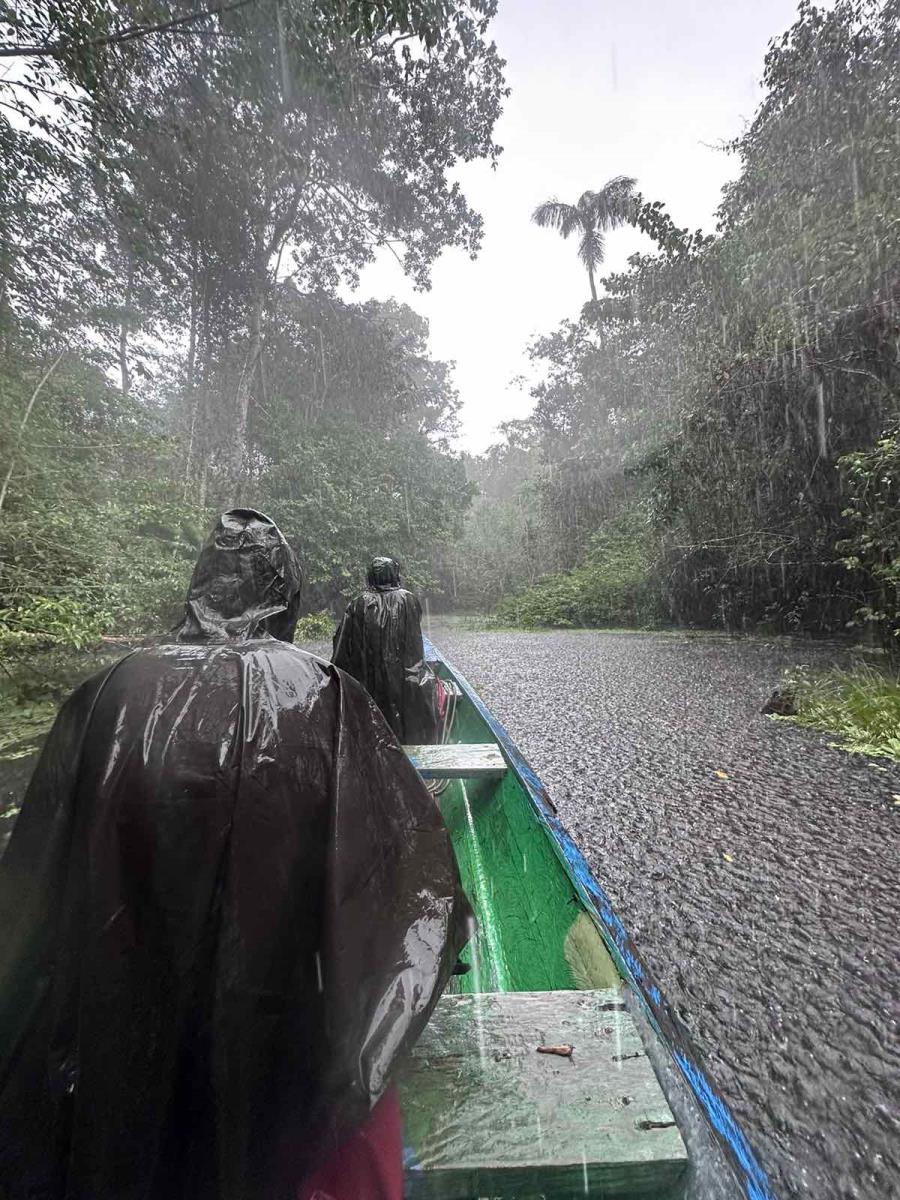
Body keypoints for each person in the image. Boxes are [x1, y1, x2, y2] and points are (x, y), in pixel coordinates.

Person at [0, 509, 471, 1200]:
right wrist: (451, 928)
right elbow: (408, 881)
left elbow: (32, 887)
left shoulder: (104, 697)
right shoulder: (326, 698)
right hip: (277, 1038)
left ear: (199, 587)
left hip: (121, 1038)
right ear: (288, 595)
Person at [331, 557, 443, 744]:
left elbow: (342, 647)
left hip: (368, 683)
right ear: (395, 574)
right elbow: (414, 645)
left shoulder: (358, 603)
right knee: (421, 691)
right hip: (406, 683)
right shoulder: (409, 600)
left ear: (371, 577)